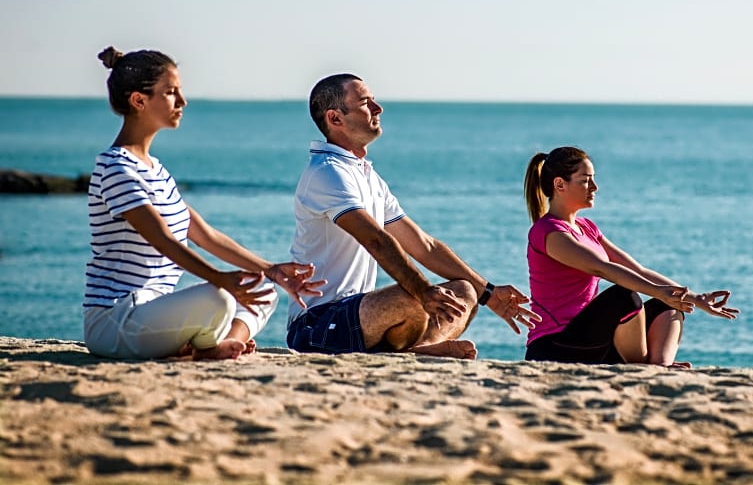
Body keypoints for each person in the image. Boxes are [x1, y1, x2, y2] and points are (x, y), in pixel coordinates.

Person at [84, 47, 325, 360]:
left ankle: (218, 343)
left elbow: (205, 235)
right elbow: (164, 240)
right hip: (115, 322)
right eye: (171, 93)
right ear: (138, 101)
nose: (182, 102)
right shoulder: (116, 168)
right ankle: (205, 346)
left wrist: (271, 270)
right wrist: (220, 279)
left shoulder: (155, 170)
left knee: (262, 288)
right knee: (219, 299)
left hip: (152, 315)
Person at [285, 73, 540, 359]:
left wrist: (489, 293)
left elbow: (424, 245)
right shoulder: (327, 171)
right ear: (335, 119)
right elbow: (376, 240)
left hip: (361, 316)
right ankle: (420, 346)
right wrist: (423, 292)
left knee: (465, 292)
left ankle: (420, 348)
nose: (378, 108)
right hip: (316, 324)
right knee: (412, 297)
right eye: (365, 103)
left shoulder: (367, 176)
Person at [523, 146, 738, 367]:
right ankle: (642, 365)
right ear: (560, 185)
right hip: (555, 346)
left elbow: (639, 270)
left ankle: (659, 367)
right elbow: (602, 268)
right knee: (625, 297)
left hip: (594, 343)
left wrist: (694, 298)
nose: (595, 187)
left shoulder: (586, 227)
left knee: (669, 307)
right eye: (586, 180)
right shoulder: (548, 232)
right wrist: (657, 291)